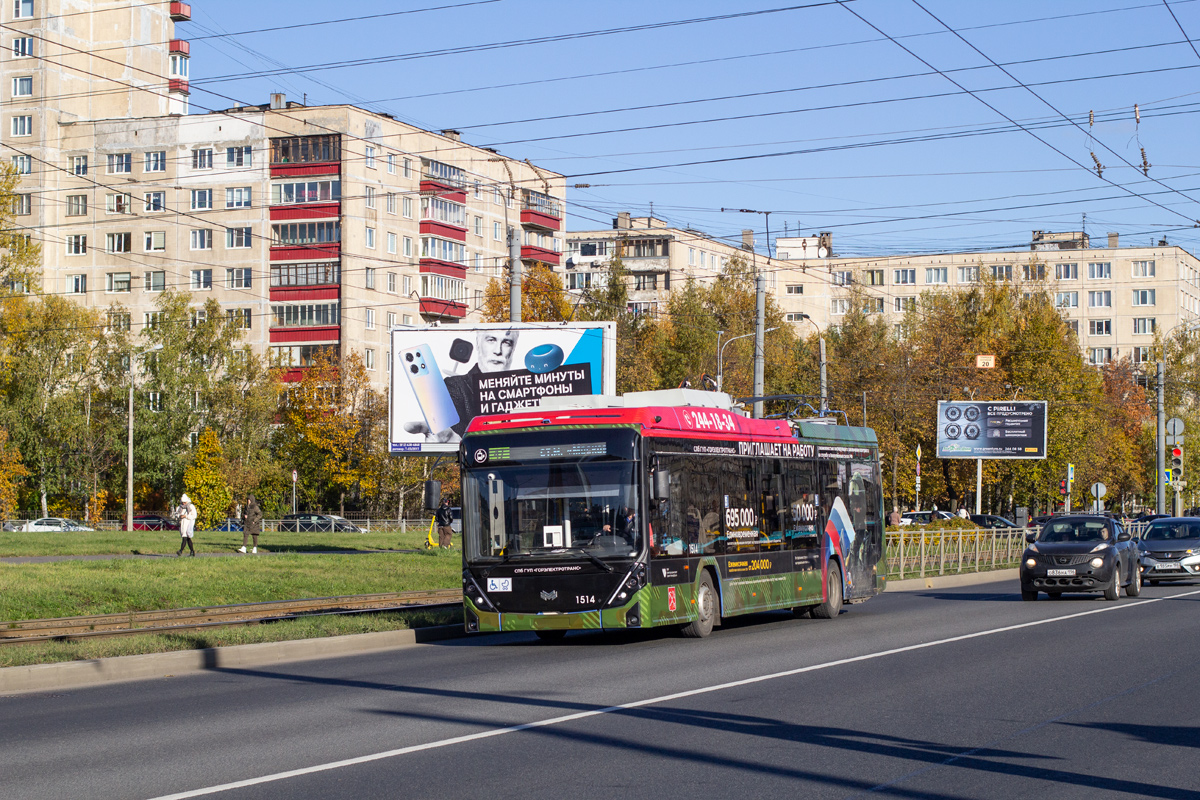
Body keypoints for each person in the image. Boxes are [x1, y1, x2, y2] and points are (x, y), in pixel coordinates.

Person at [404, 328, 520, 443]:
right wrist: (460, 444)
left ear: (514, 349)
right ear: (478, 344)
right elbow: (454, 431)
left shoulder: (522, 391)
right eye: (491, 340)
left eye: (506, 342)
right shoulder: (455, 386)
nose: (498, 350)